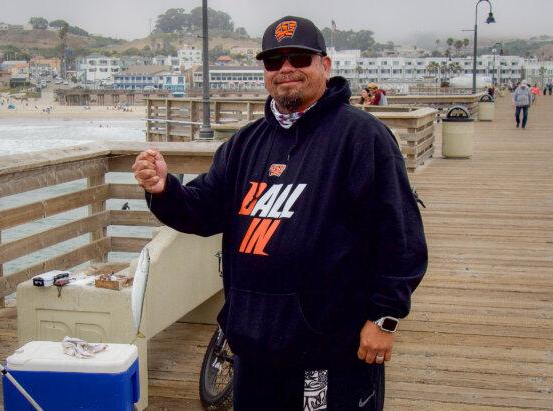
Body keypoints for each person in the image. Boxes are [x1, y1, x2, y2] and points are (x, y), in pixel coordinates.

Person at [133, 15, 427, 411]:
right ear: (265, 73)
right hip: (253, 349)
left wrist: (385, 318)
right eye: (274, 61)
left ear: (325, 64)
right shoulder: (244, 143)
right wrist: (163, 190)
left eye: (298, 57)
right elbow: (202, 212)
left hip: (331, 351)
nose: (286, 68)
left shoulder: (363, 138)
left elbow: (402, 238)